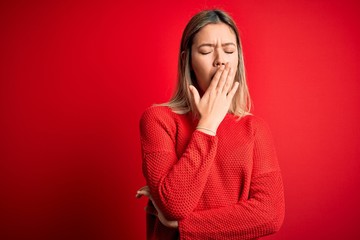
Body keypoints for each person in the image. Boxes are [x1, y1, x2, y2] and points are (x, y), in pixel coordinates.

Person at [136, 9, 285, 239]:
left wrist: (180, 225)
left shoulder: (254, 129)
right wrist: (207, 125)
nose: (220, 60)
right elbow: (174, 205)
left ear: (238, 59)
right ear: (188, 60)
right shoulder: (158, 119)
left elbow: (270, 214)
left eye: (229, 50)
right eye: (206, 51)